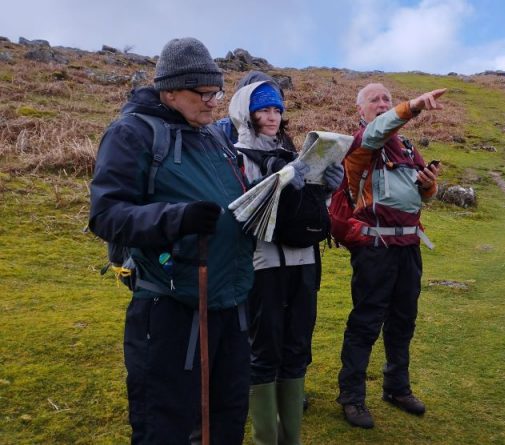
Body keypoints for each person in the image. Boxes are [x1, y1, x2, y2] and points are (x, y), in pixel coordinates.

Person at [89, 37, 254, 443]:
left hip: (230, 306)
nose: (215, 102)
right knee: (165, 425)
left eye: (217, 91)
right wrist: (177, 217)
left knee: (227, 419)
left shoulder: (213, 137)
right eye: (204, 93)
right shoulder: (132, 134)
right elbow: (106, 214)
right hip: (171, 309)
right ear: (170, 90)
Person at [227, 80, 343, 444]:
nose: (272, 117)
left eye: (277, 110)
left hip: (304, 263)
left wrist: (325, 188)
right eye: (263, 110)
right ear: (247, 113)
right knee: (263, 351)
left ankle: (290, 438)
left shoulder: (294, 150)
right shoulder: (234, 156)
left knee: (297, 348)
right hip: (263, 266)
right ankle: (266, 439)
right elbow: (240, 212)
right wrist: (277, 182)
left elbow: (308, 211)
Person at [336, 83, 443, 429]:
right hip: (375, 250)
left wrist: (427, 184)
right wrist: (412, 106)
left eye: (386, 99)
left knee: (403, 321)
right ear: (361, 112)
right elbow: (381, 129)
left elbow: (424, 197)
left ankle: (396, 388)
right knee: (366, 323)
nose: (382, 104)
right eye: (374, 100)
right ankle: (351, 396)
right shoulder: (362, 143)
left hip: (409, 247)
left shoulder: (409, 148)